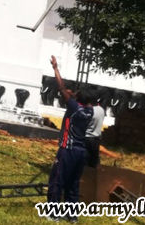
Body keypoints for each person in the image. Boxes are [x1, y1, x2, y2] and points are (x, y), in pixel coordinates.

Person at [47, 55, 93, 222]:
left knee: (57, 180)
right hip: (81, 152)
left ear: (76, 99)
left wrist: (55, 68)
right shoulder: (89, 110)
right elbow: (74, 96)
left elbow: (61, 88)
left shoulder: (74, 107)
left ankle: (53, 213)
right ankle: (71, 214)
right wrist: (76, 95)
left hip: (68, 149)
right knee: (73, 183)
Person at [85, 99, 105, 168]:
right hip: (96, 139)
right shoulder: (101, 110)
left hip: (87, 138)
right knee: (95, 160)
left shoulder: (89, 111)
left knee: (86, 160)